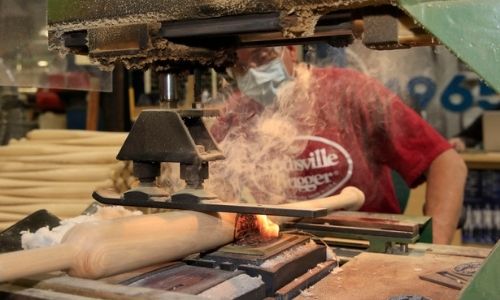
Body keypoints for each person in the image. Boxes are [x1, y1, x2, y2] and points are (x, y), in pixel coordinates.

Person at [210, 46, 467, 244]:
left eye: (262, 56)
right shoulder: (237, 112)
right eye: (241, 67)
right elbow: (212, 184)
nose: (253, 73)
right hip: (285, 247)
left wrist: (434, 248)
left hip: (366, 245)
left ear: (290, 49)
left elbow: (447, 162)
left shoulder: (350, 90)